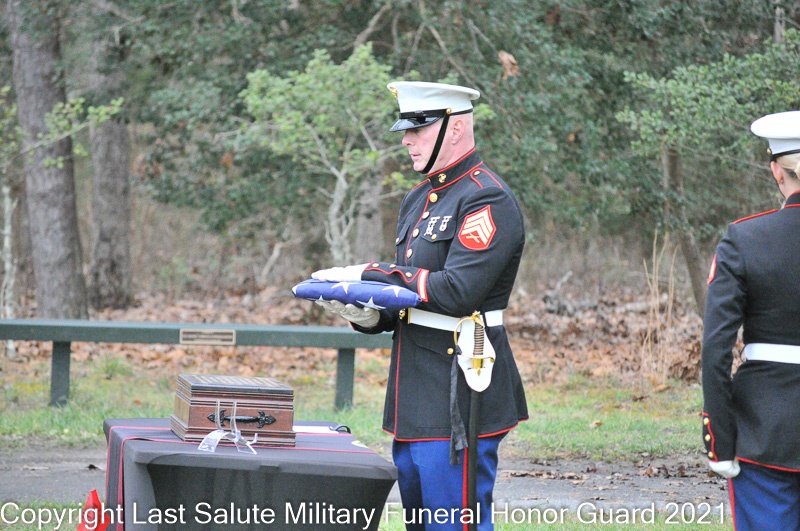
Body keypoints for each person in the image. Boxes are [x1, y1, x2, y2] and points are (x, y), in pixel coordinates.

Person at [313, 81, 528, 530]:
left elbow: (457, 291)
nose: (406, 140)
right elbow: (414, 295)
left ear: (455, 128)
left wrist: (372, 273)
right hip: (414, 387)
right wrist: (369, 313)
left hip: (460, 388)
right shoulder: (419, 197)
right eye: (406, 130)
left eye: (418, 129)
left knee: (454, 522)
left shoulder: (486, 197)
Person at [702, 110, 800, 530]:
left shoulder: (745, 238)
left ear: (777, 171)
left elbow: (715, 350)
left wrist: (720, 441)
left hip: (764, 429)